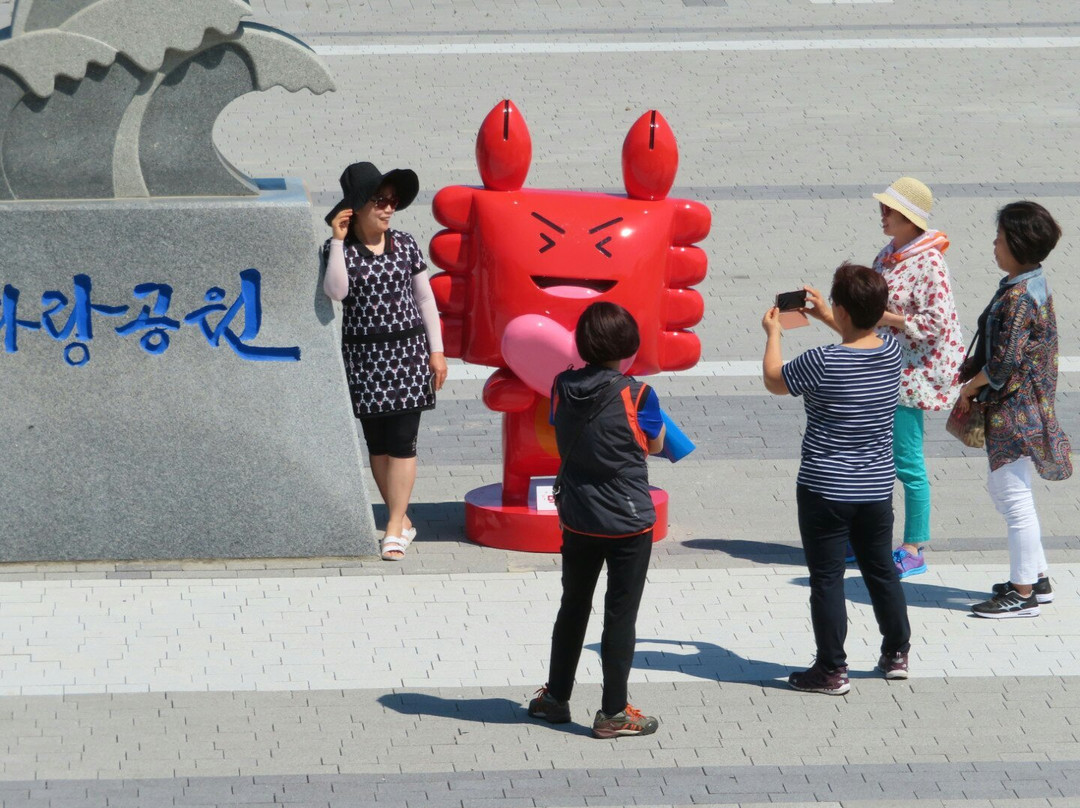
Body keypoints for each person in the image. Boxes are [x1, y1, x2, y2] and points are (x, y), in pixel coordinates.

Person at [764, 263, 912, 695]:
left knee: (826, 578)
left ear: (845, 310)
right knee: (880, 568)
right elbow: (857, 336)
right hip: (875, 487)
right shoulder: (890, 352)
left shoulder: (821, 361)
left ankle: (831, 669)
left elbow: (775, 380)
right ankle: (896, 652)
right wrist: (832, 313)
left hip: (824, 489)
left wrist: (774, 334)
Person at [528, 302, 666, 738]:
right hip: (629, 522)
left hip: (578, 516)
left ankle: (555, 697)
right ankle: (612, 713)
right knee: (619, 616)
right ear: (628, 345)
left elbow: (558, 428)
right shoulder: (639, 394)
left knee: (573, 606)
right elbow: (658, 444)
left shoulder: (561, 386)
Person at [321, 162, 448, 561]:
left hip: (408, 355)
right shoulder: (336, 249)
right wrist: (338, 241)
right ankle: (401, 518)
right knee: (377, 445)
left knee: (403, 443)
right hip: (364, 358)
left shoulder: (406, 244)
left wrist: (437, 350)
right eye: (380, 201)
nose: (389, 208)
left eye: (392, 201)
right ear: (356, 207)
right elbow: (336, 292)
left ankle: (394, 525)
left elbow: (425, 299)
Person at [956, 202, 1071, 618]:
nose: (994, 244)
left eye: (1000, 238)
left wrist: (972, 384)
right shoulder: (1028, 282)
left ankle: (1022, 594)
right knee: (1011, 489)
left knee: (1011, 494)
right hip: (1026, 406)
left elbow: (1004, 362)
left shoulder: (1020, 296)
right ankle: (1036, 578)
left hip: (1015, 409)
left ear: (1017, 245)